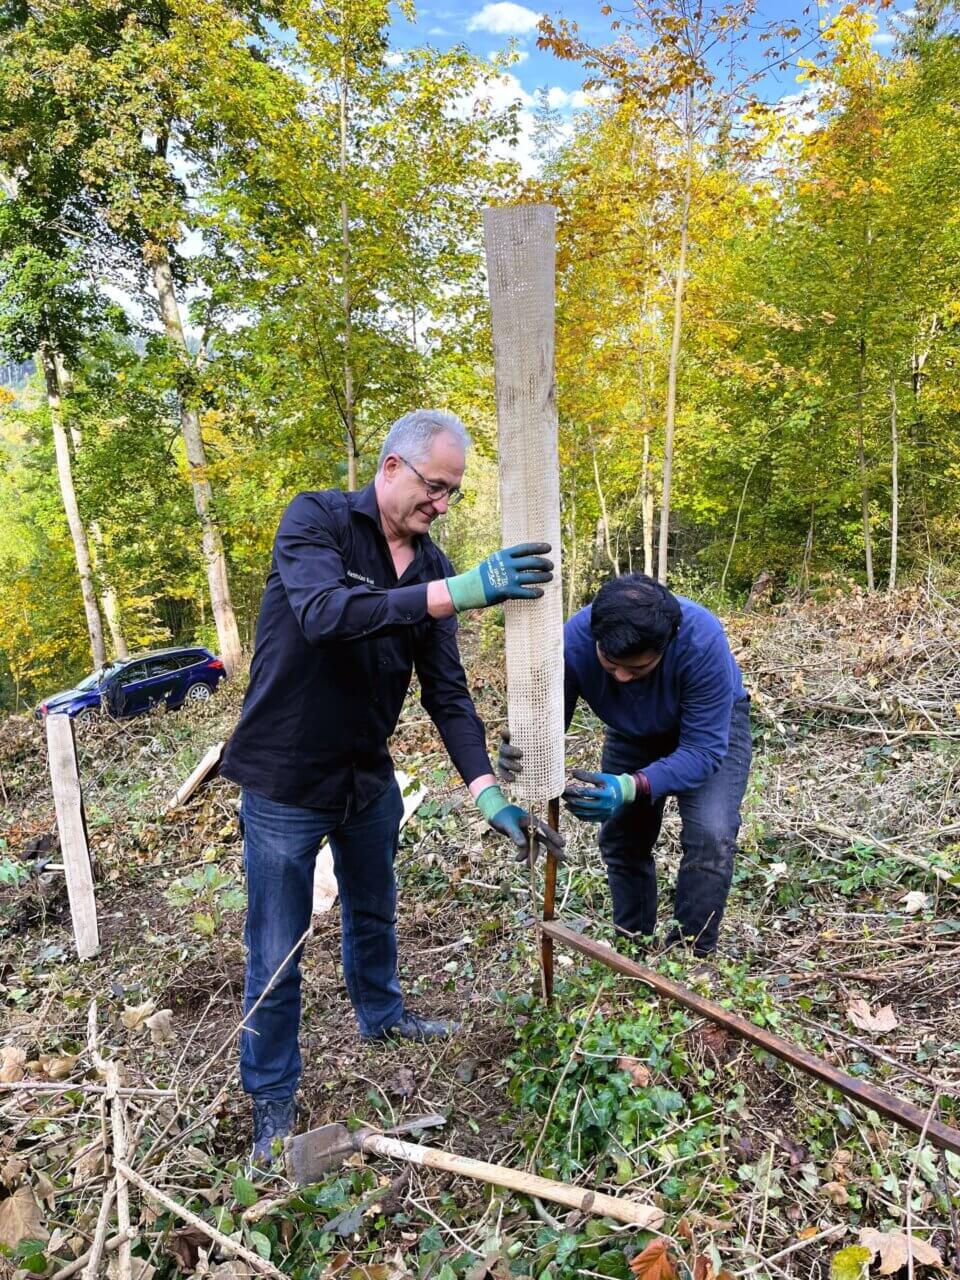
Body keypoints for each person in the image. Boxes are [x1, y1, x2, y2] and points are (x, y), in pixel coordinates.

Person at [221, 409, 563, 1163]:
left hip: (366, 776)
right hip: (284, 776)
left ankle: (382, 1015)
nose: (441, 504)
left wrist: (488, 794)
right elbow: (324, 615)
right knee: (275, 949)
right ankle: (271, 1097)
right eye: (434, 487)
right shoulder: (316, 522)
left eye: (452, 493)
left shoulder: (436, 566)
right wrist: (457, 593)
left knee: (374, 910)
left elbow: (447, 693)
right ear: (390, 467)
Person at [499, 573, 750, 957]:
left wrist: (631, 786)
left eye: (637, 669)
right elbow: (546, 726)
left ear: (666, 646)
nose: (621, 677)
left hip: (709, 729)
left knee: (711, 835)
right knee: (622, 838)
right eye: (611, 664)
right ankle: (633, 945)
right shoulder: (573, 642)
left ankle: (691, 954)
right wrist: (523, 751)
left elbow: (703, 751)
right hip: (632, 733)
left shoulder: (701, 642)